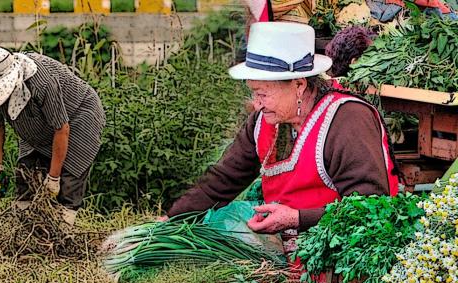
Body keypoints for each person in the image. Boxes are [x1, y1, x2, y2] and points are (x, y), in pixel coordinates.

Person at [165, 22, 399, 257]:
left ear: (298, 85)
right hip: (291, 251)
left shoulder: (348, 119)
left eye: (263, 94)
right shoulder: (264, 121)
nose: (256, 103)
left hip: (344, 253)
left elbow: (368, 206)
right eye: (253, 92)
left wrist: (297, 219)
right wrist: (169, 221)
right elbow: (224, 179)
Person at [0, 46, 105, 226]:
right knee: (26, 174)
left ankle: (63, 234)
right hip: (36, 123)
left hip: (77, 116)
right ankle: (26, 230)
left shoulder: (41, 82)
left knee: (68, 181)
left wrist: (53, 178)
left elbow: (61, 129)